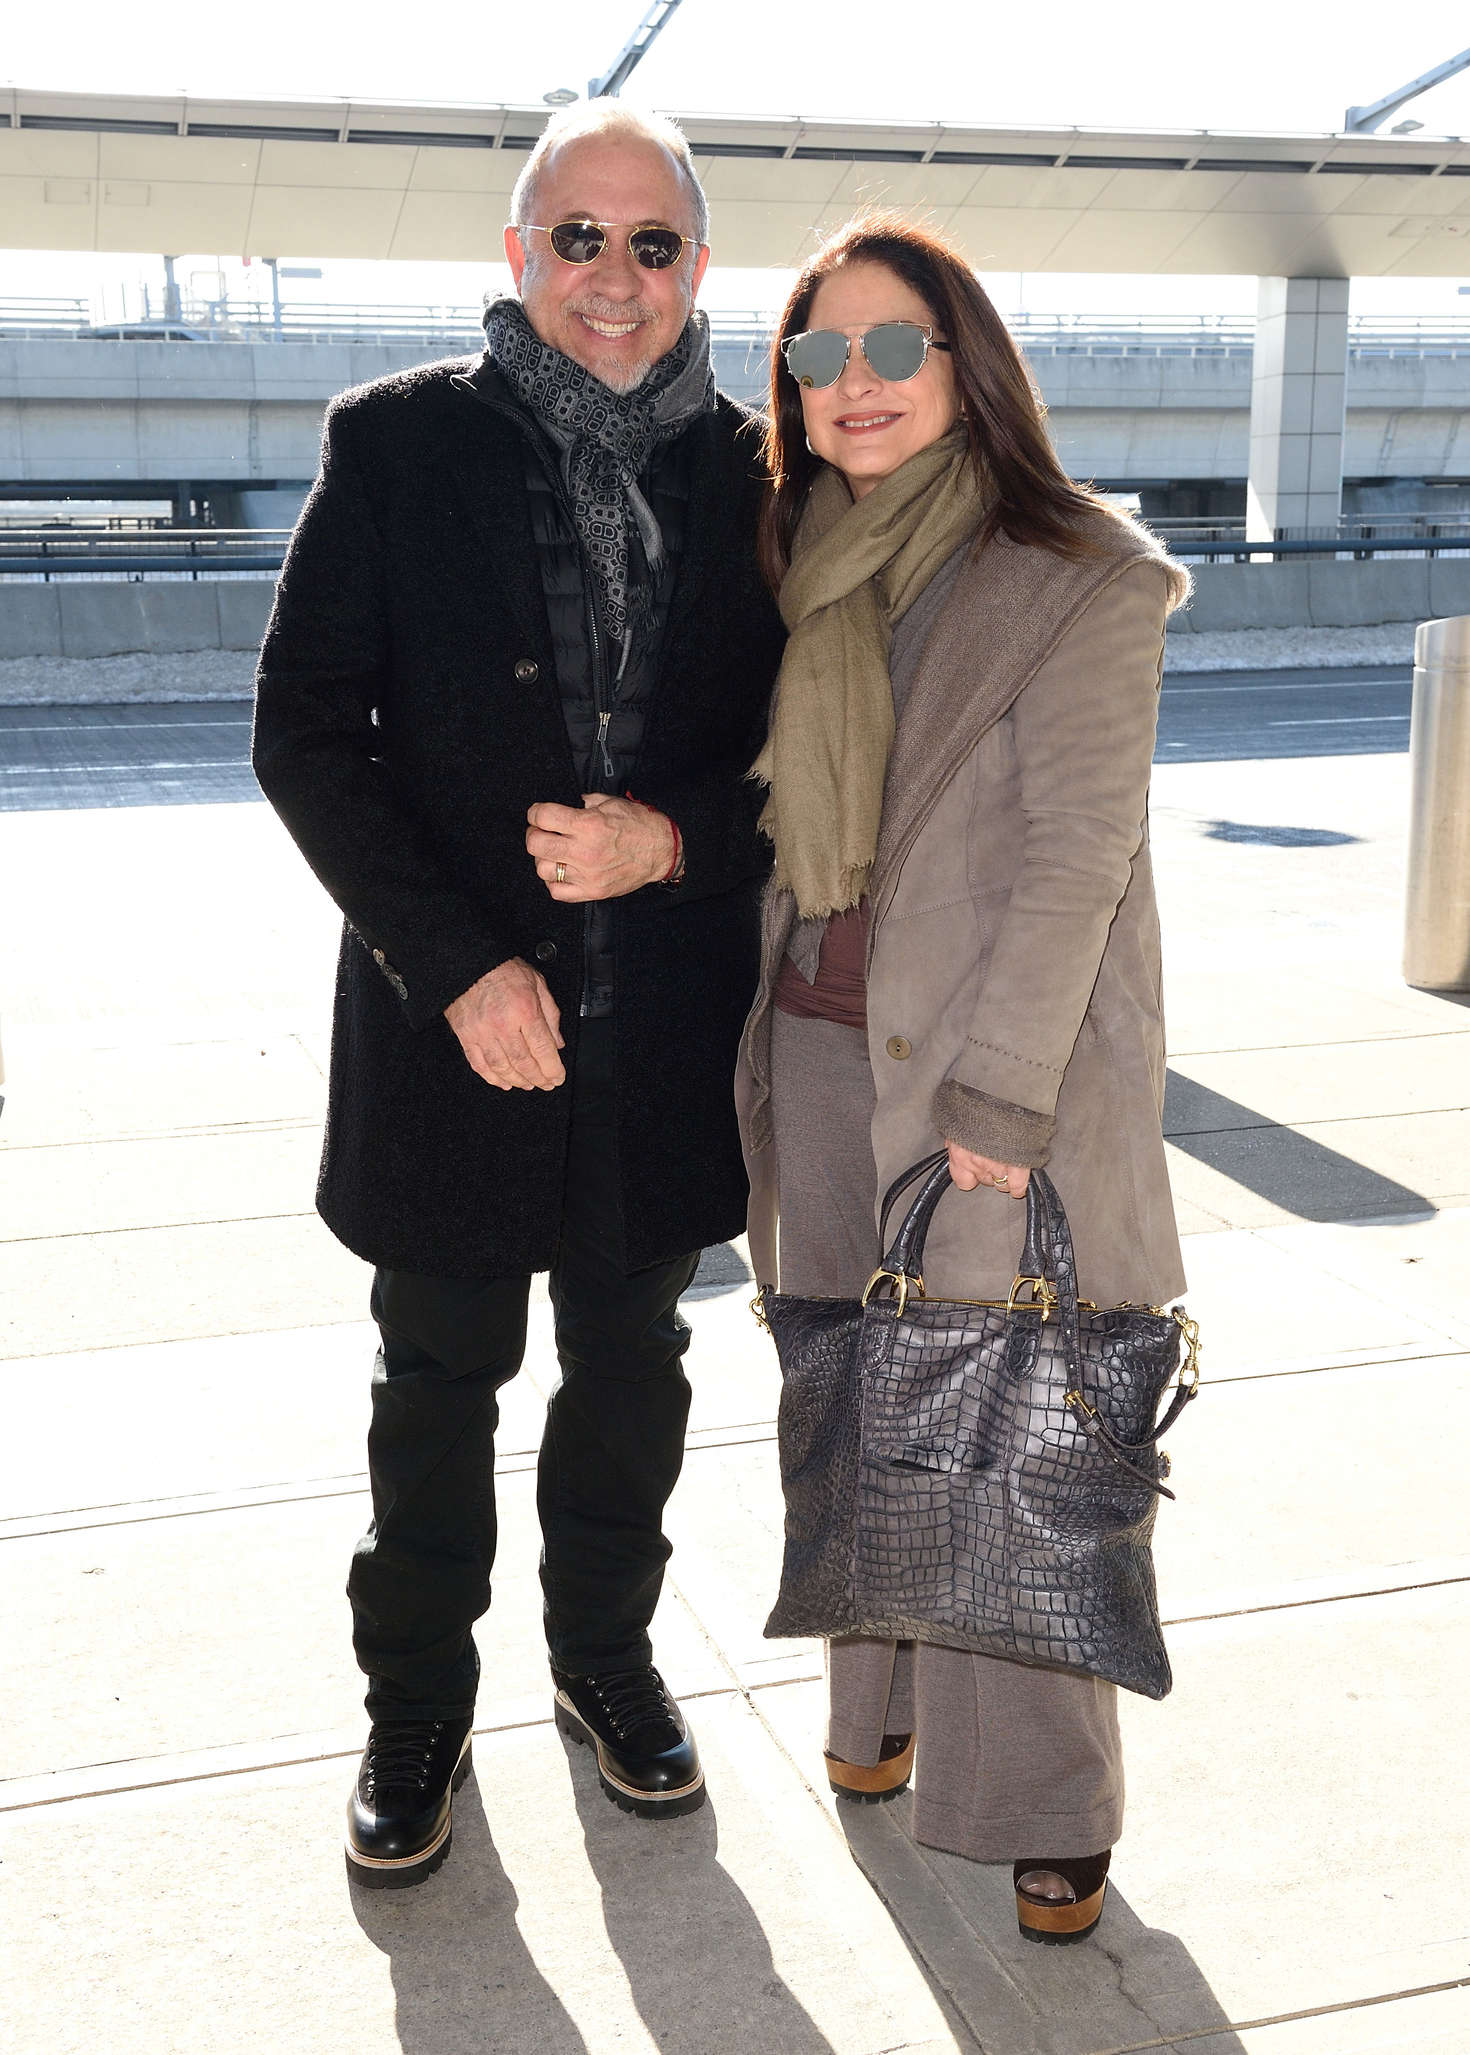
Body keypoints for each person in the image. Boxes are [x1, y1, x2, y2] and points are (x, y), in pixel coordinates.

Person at [253, 100, 783, 1889]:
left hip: (661, 1042)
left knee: (632, 1364)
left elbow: (810, 764)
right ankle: (414, 1708)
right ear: (518, 255)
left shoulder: (758, 473)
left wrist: (678, 846)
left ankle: (603, 1658)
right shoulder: (398, 446)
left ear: (695, 267)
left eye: (652, 245)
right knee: (437, 1380)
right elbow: (308, 737)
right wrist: (457, 960)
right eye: (579, 238)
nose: (615, 279)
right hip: (451, 1037)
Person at [737, 216, 1190, 1946]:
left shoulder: (1076, 572)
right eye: (817, 355)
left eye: (888, 347)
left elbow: (1082, 852)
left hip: (997, 1085)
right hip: (816, 1043)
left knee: (1012, 1439)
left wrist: (999, 1106)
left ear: (964, 362)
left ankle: (1041, 1809)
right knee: (861, 1404)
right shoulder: (796, 557)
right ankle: (879, 1716)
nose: (850, 385)